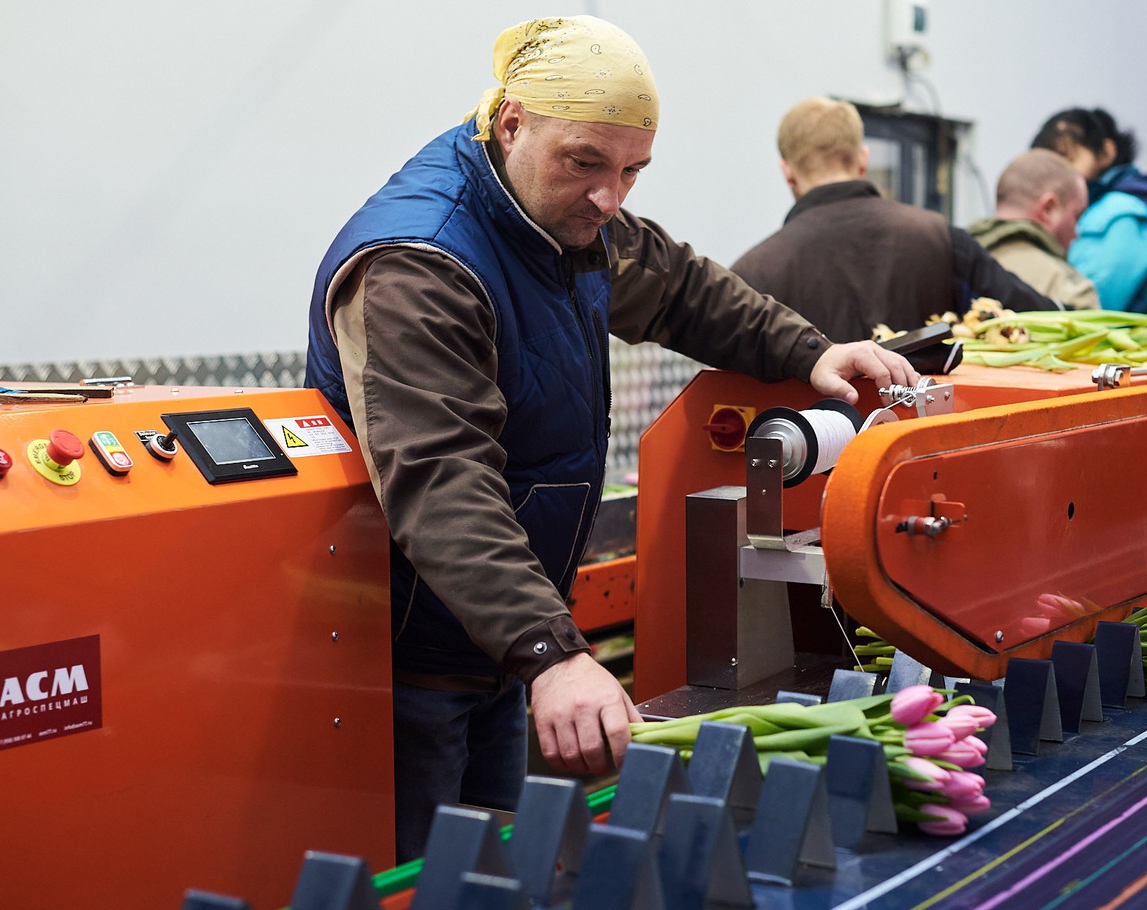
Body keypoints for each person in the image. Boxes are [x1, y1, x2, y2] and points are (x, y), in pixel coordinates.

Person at [304, 16, 914, 862]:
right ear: (510, 123)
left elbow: (680, 290)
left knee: (493, 886)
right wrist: (551, 651)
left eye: (631, 170)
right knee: (417, 903)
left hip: (491, 643)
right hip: (408, 659)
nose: (609, 195)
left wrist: (812, 353)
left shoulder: (557, 221)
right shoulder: (421, 263)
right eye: (585, 162)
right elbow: (441, 477)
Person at [731, 97, 1056, 344]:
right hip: (921, 427)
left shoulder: (751, 273)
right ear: (863, 160)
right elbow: (1040, 317)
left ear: (787, 172)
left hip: (805, 433)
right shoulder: (940, 237)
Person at [1031, 107, 1147, 322]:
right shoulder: (1123, 203)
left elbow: (1087, 313)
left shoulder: (1119, 215)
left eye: (1067, 159)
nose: (1059, 173)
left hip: (1135, 353)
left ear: (1106, 152)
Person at [967, 149, 1100, 310]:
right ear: (1048, 209)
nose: (1076, 233)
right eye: (1077, 216)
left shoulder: (948, 262)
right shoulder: (1072, 291)